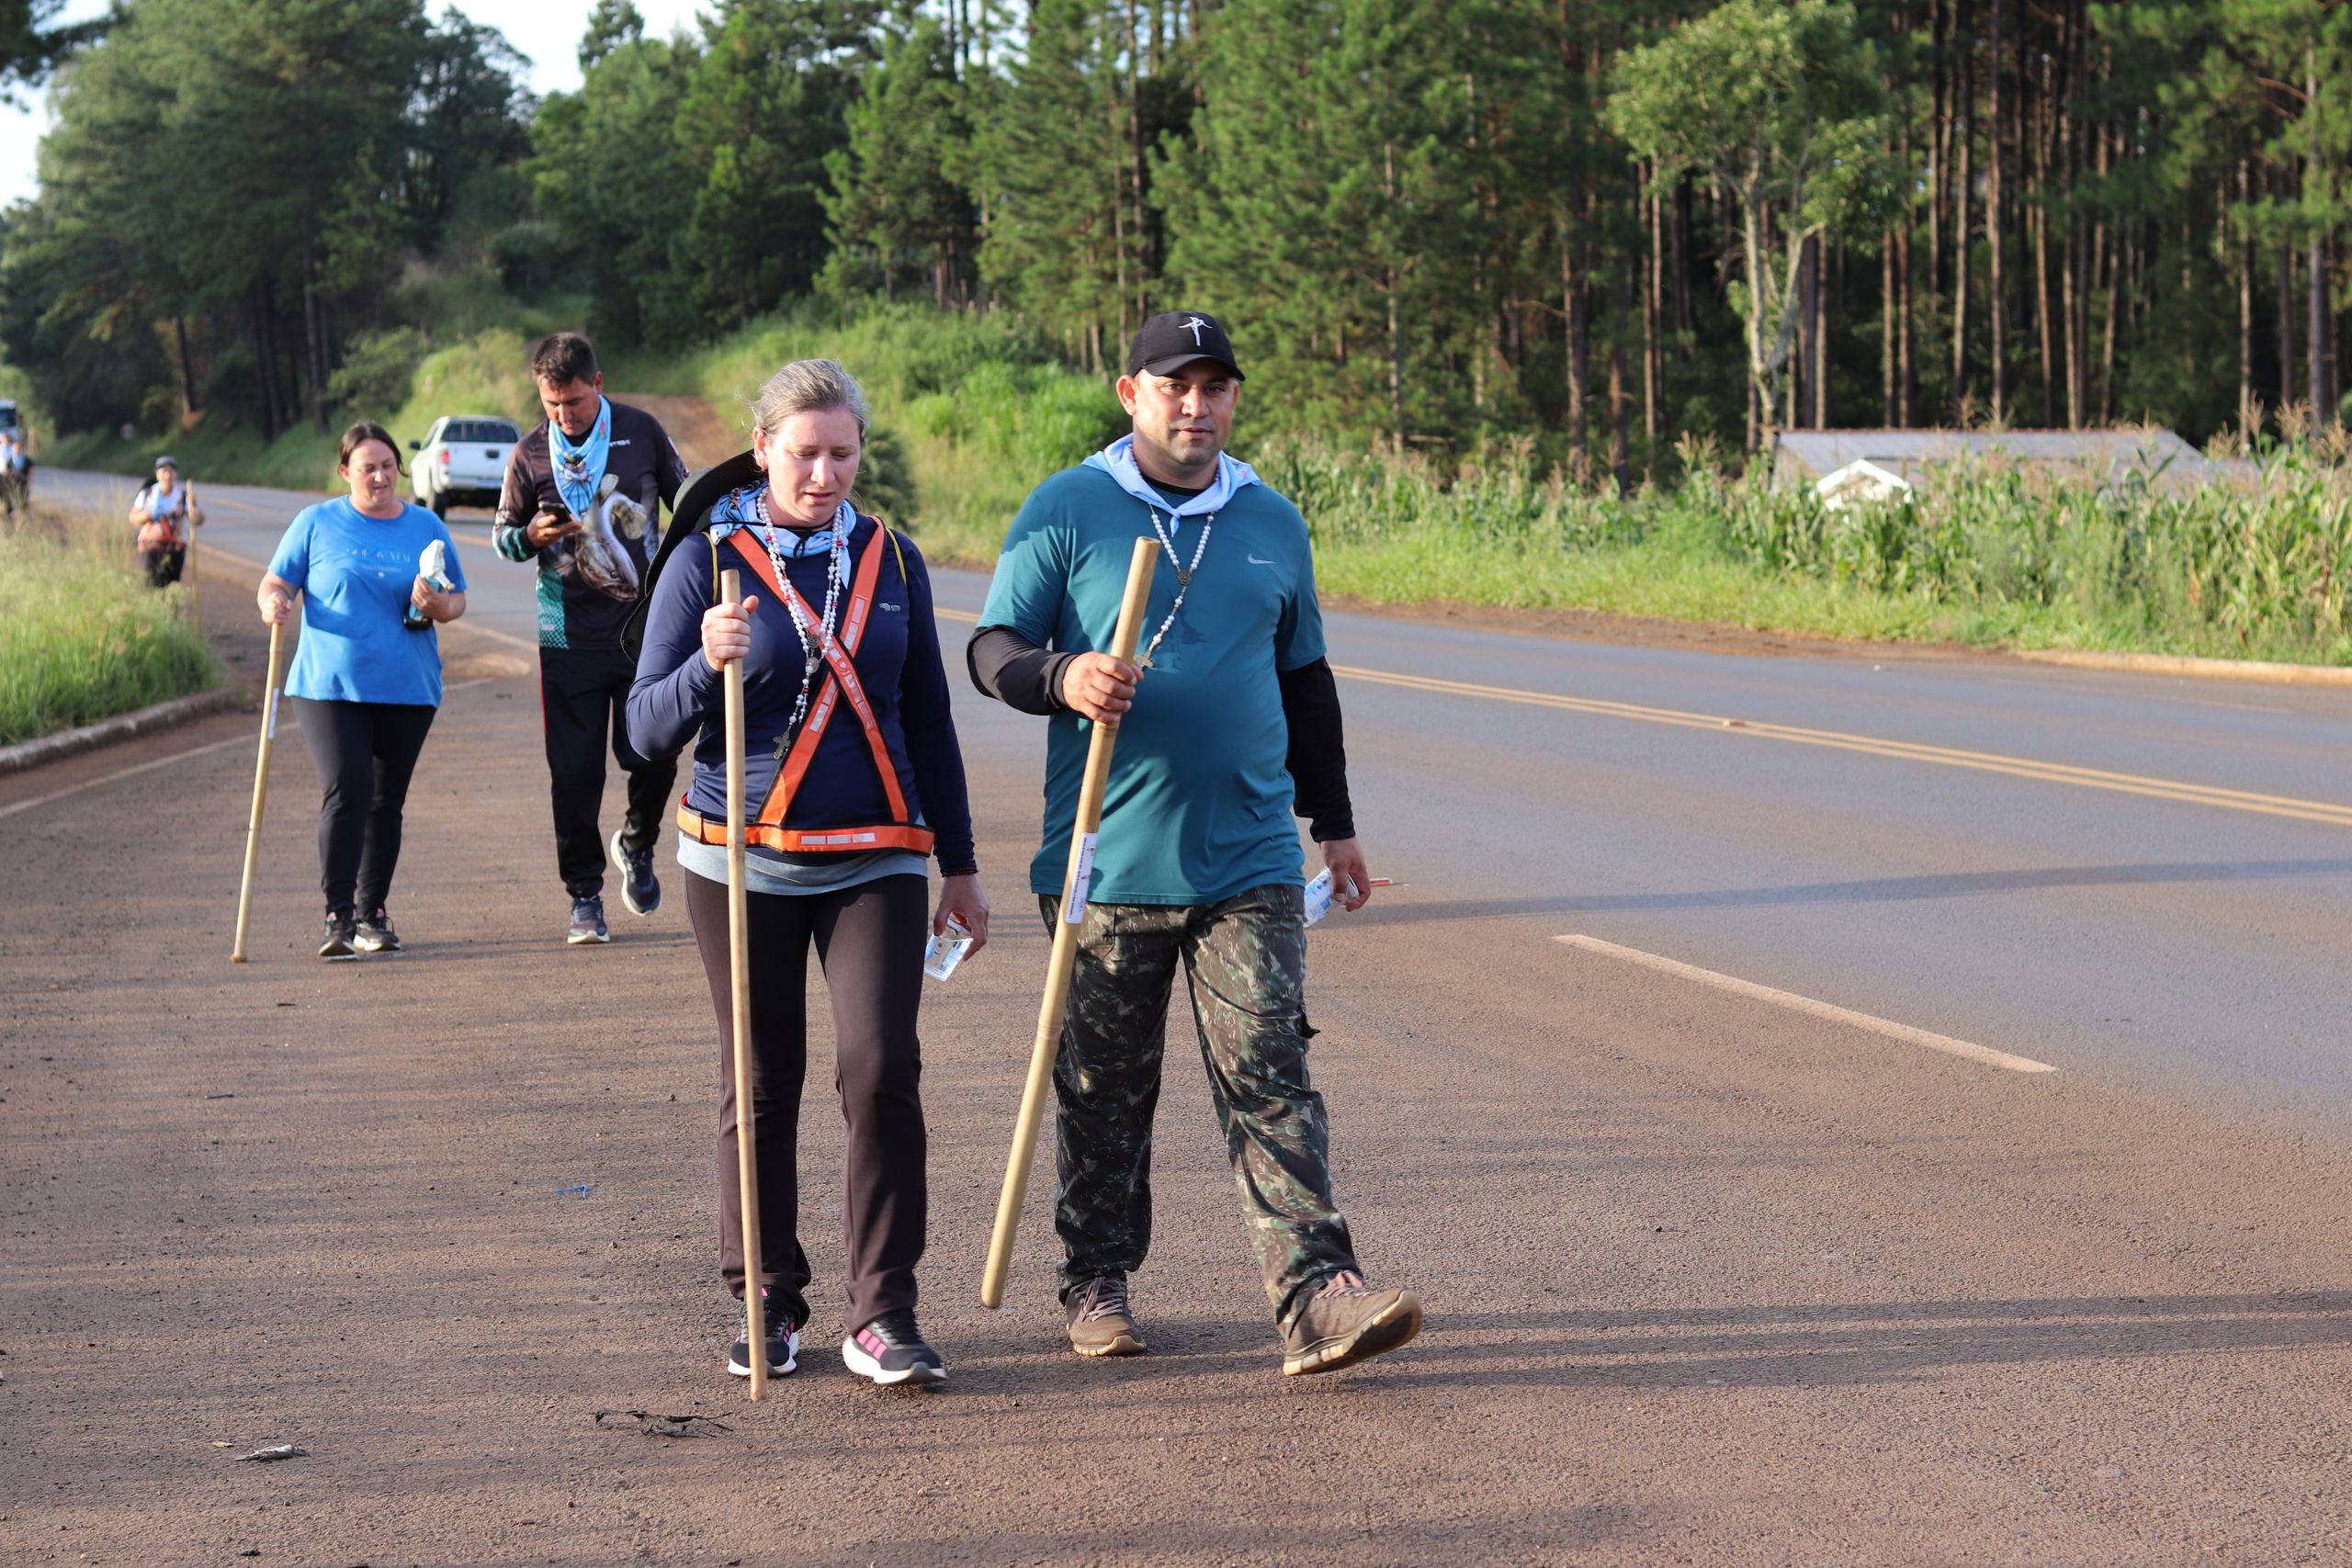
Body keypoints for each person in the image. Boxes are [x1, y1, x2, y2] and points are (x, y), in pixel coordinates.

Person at [967, 310, 1422, 1378]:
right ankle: (1096, 1278)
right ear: (1130, 394)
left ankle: (1318, 1293)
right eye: (1175, 385)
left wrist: (1336, 825)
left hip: (1250, 857)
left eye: (1215, 386)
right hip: (1109, 856)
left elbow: (1305, 683)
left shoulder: (1269, 519)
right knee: (1103, 1089)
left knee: (1269, 1068)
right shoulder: (1070, 506)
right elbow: (991, 649)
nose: (1196, 404)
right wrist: (1063, 677)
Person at [628, 358, 986, 1389]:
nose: (824, 473)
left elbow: (930, 720)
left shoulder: (893, 560)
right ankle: (772, 1299)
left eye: (841, 453)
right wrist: (706, 663)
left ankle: (885, 1315)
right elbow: (644, 733)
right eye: (803, 455)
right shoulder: (708, 563)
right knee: (760, 1080)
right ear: (763, 453)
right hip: (737, 860)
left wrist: (959, 867)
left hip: (876, 857)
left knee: (880, 1071)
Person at [494, 332, 691, 945]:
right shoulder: (528, 454)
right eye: (551, 404)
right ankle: (584, 893)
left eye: (574, 402)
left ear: (597, 385)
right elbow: (502, 538)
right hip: (566, 633)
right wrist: (532, 534)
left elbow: (688, 503)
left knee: (654, 754)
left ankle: (637, 841)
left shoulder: (643, 430)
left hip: (646, 629)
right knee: (574, 774)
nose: (563, 416)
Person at [258, 423, 468, 958]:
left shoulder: (426, 525)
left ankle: (373, 912)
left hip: (408, 685)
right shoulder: (316, 522)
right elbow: (277, 581)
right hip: (328, 684)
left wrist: (435, 605)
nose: (379, 476)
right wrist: (274, 602)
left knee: (385, 802)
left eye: (388, 465)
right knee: (347, 787)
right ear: (345, 472)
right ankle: (338, 916)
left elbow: (455, 602)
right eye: (367, 467)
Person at [130, 456, 203, 589]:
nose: (167, 475)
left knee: (171, 587)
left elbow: (198, 520)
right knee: (150, 585)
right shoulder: (147, 494)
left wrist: (193, 507)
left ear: (175, 474)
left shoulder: (182, 496)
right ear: (158, 474)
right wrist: (145, 516)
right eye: (164, 471)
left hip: (175, 549)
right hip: (150, 548)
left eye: (171, 471)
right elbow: (133, 518)